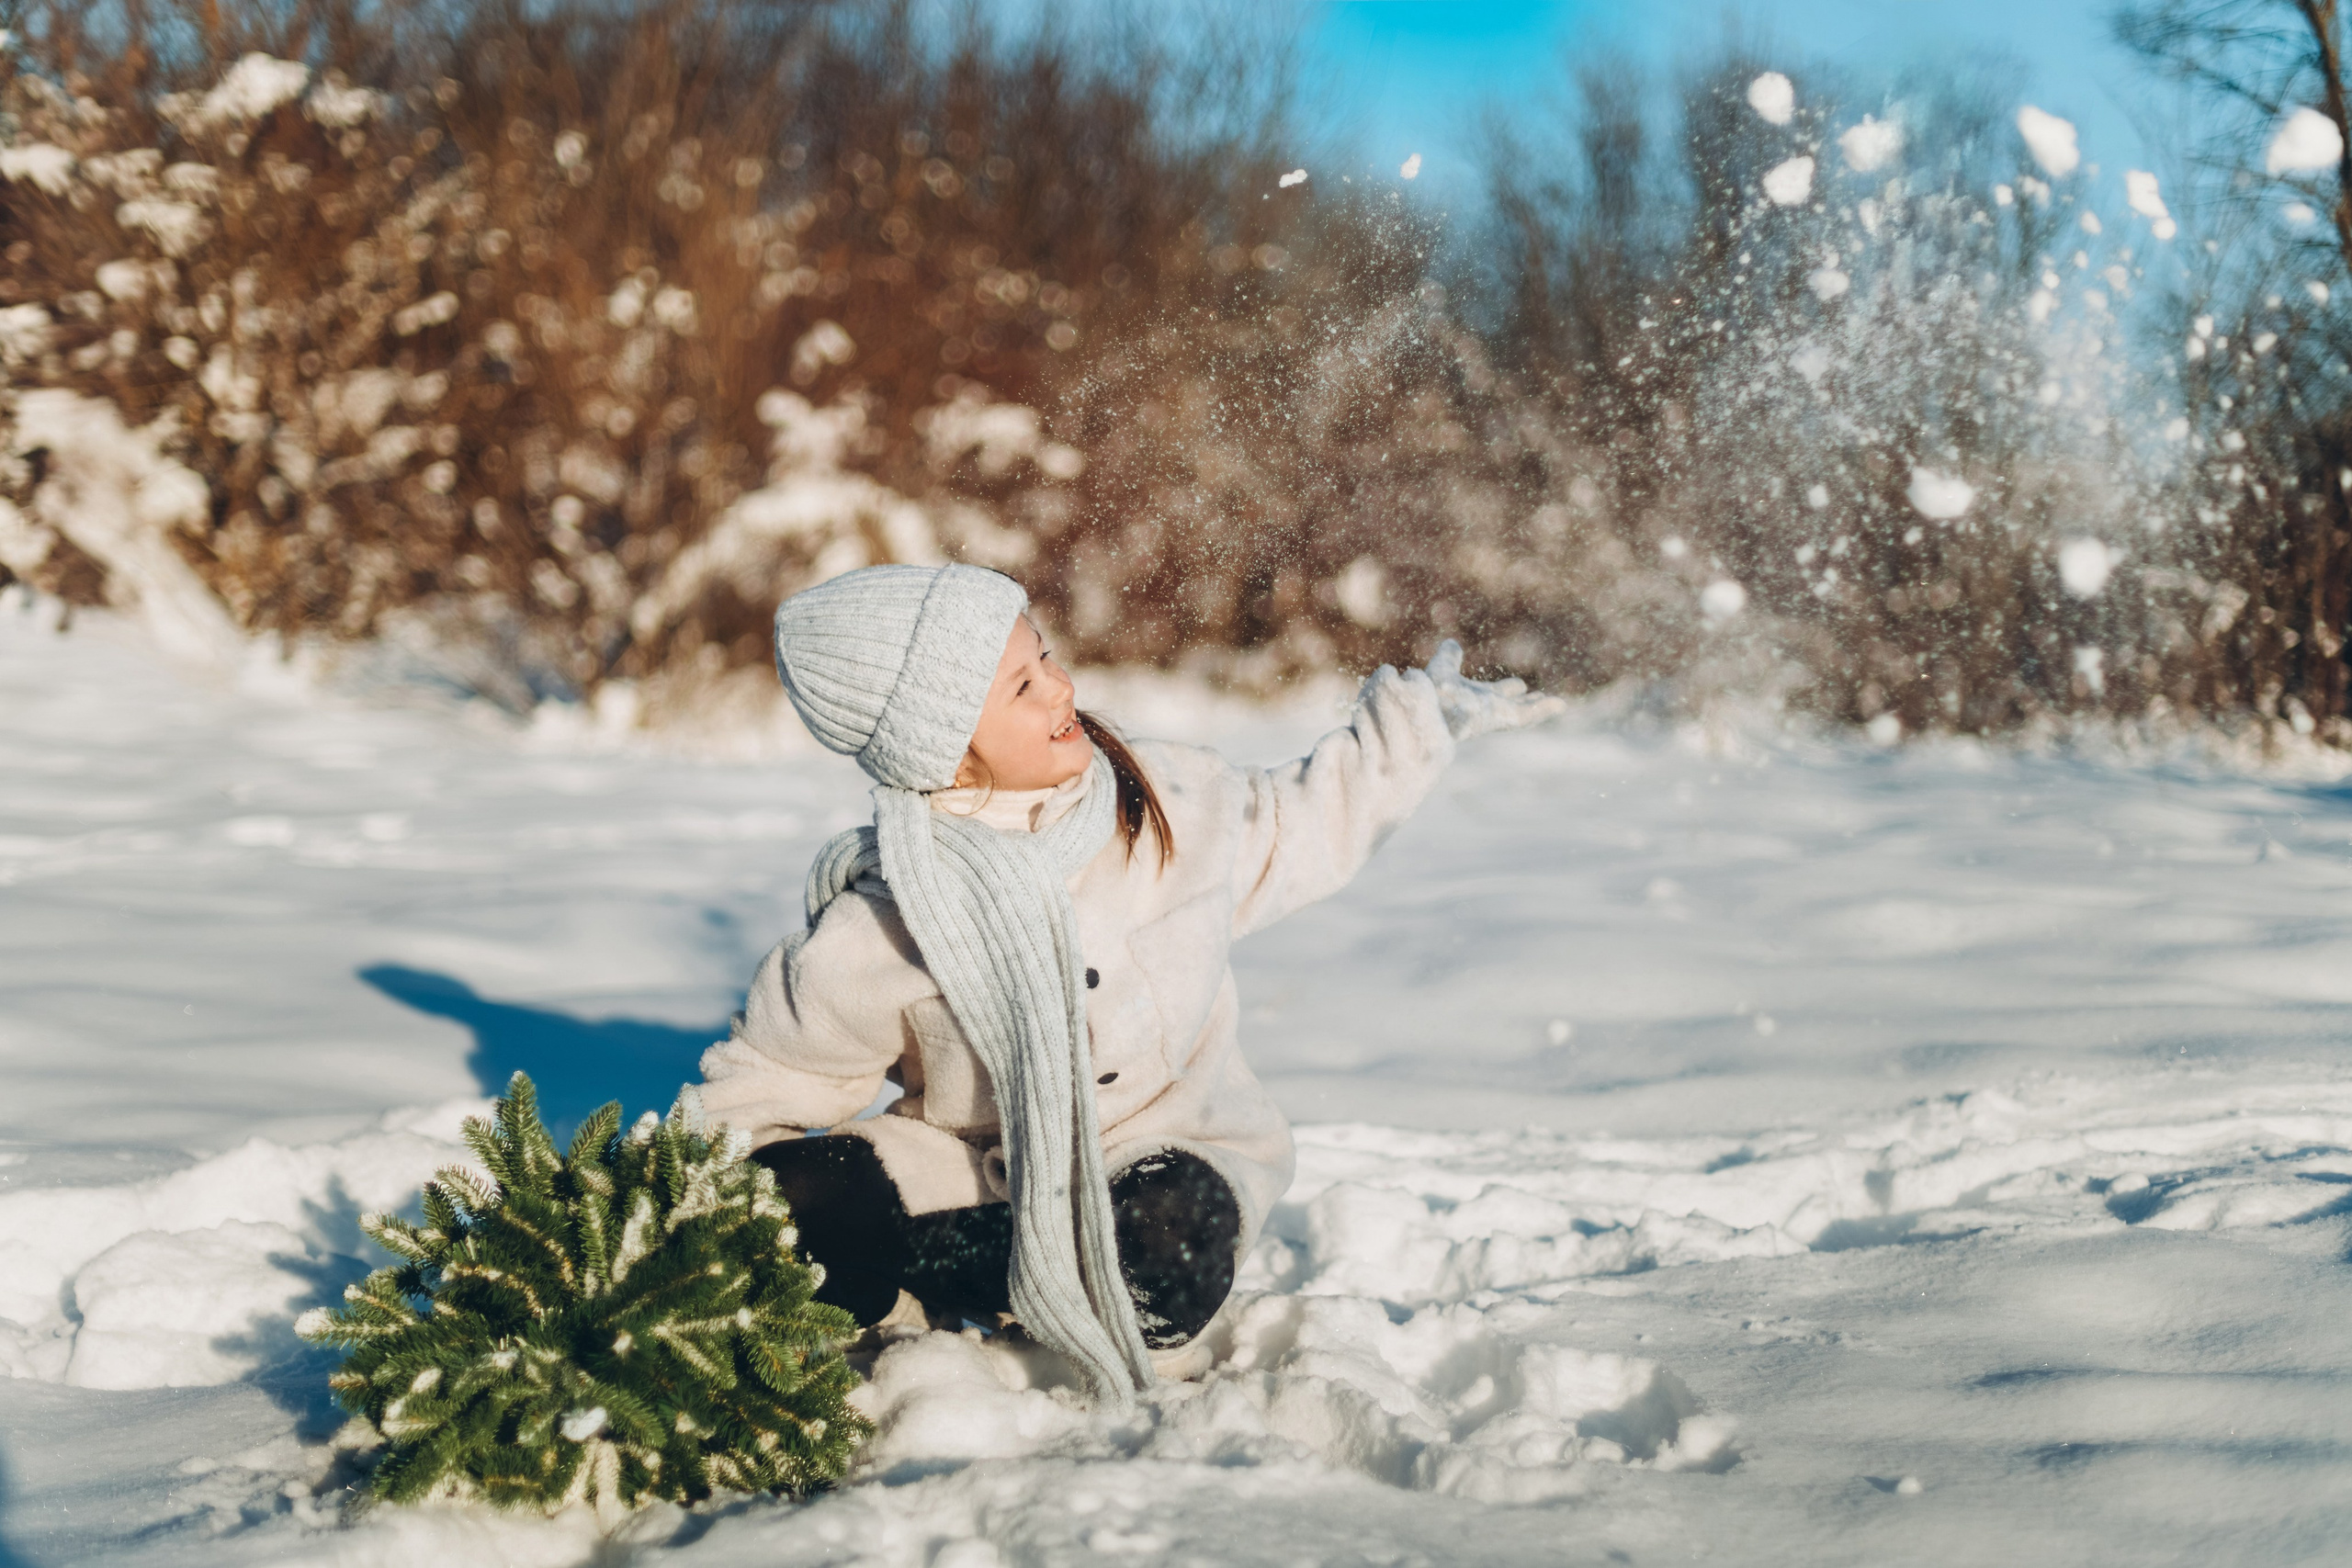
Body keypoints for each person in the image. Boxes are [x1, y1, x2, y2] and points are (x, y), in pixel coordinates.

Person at [695, 562, 1561, 1408]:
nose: (1061, 688)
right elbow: (770, 1077)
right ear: (947, 754)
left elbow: (1302, 822)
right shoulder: (887, 925)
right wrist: (692, 1209)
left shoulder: (1161, 809)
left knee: (1168, 1231)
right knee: (782, 1200)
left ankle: (1094, 1308)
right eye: (1022, 689)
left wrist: (1411, 731)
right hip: (980, 1186)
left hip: (1159, 1165)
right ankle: (911, 1305)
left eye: (1045, 658)